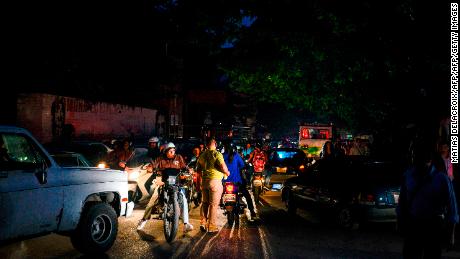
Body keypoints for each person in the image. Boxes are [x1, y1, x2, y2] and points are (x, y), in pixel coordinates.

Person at [397, 141, 459, 258]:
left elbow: (452, 207)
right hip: (414, 223)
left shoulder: (442, 178)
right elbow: (402, 201)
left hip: (433, 225)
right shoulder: (408, 175)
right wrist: (400, 220)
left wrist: (451, 234)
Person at [137, 142, 194, 233]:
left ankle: (186, 223)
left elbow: (184, 167)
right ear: (166, 151)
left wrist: (189, 170)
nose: (172, 152)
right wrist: (150, 168)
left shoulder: (178, 157)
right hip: (163, 181)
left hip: (176, 182)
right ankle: (144, 220)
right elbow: (154, 166)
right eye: (170, 151)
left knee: (183, 198)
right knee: (152, 201)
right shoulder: (160, 159)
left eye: (174, 150)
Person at [197, 138, 230, 233]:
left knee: (205, 203)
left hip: (204, 182)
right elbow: (223, 166)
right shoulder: (217, 154)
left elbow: (198, 171)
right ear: (215, 145)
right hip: (215, 182)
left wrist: (198, 185)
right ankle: (211, 226)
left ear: (207, 145)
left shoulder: (202, 155)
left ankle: (203, 223)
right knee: (213, 205)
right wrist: (227, 172)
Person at [222, 141, 257, 220]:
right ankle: (252, 211)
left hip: (224, 182)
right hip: (236, 182)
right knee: (247, 195)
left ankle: (222, 203)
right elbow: (243, 165)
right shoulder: (237, 156)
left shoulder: (222, 156)